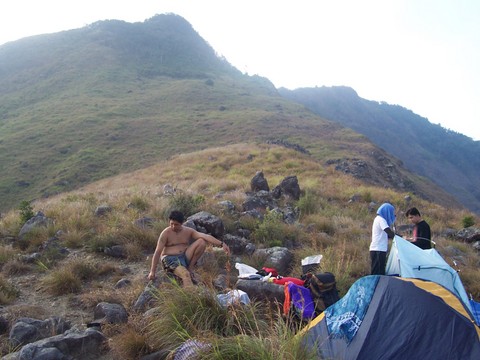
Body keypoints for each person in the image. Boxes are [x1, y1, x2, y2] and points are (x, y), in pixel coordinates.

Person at [148, 210, 230, 286]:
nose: (173, 226)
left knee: (201, 241)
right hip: (170, 260)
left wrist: (222, 244)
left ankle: (190, 268)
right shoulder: (166, 233)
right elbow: (157, 252)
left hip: (185, 256)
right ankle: (190, 295)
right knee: (185, 275)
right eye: (171, 224)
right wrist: (152, 271)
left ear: (182, 223)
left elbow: (205, 236)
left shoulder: (188, 231)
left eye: (176, 224)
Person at [370, 203, 396, 275]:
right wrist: (401, 237)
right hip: (378, 249)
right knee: (377, 272)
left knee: (380, 270)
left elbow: (387, 235)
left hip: (380, 249)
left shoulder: (379, 219)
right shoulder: (381, 220)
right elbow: (389, 233)